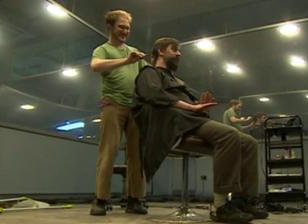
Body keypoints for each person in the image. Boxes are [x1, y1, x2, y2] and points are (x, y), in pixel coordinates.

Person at [133, 37, 268, 223]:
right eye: (175, 49)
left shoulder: (177, 81)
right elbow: (153, 94)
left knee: (249, 143)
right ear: (161, 51)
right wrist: (191, 108)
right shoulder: (149, 72)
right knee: (228, 135)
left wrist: (198, 105)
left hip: (191, 121)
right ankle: (221, 206)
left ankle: (243, 199)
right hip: (176, 126)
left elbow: (188, 105)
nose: (179, 53)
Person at [89, 9, 148, 216]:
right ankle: (101, 200)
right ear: (111, 27)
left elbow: (150, 76)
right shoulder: (102, 50)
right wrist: (126, 61)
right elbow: (95, 66)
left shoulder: (134, 52)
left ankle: (135, 199)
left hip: (135, 109)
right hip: (113, 106)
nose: (125, 31)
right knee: (108, 153)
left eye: (128, 28)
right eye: (121, 27)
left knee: (137, 155)